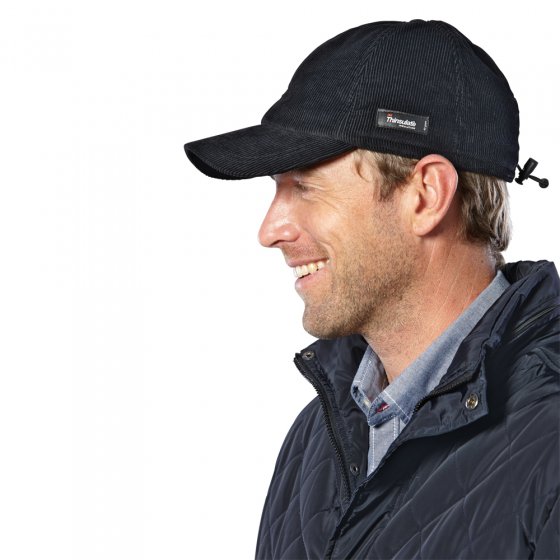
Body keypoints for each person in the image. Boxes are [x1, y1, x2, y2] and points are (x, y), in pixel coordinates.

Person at [184, 20, 559, 560]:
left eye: (304, 186)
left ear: (426, 196)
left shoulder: (548, 440)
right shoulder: (317, 439)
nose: (269, 231)